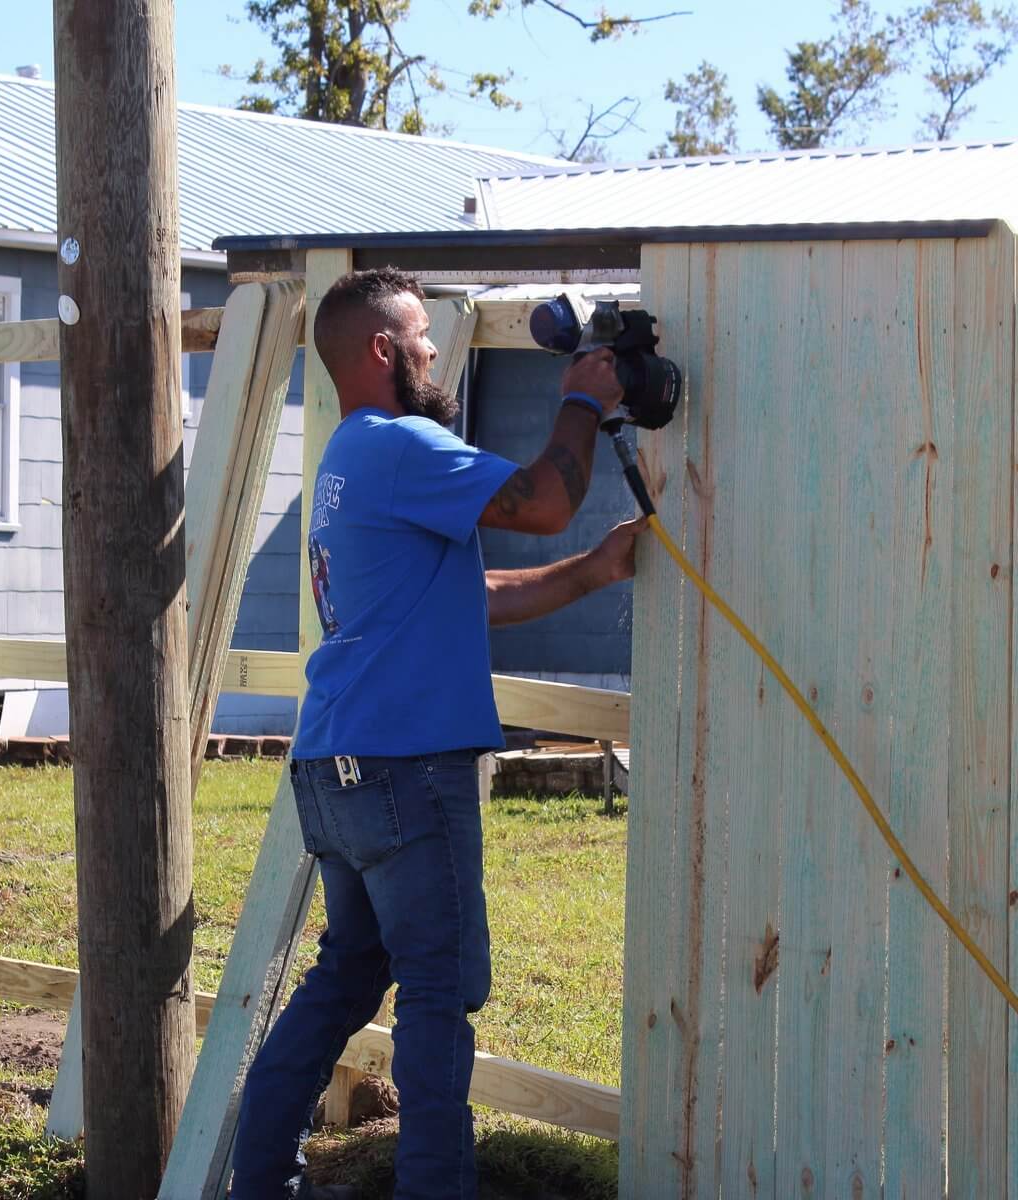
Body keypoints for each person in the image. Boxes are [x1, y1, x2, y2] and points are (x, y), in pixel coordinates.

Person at [229, 268, 642, 1200]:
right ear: (382, 350)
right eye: (419, 335)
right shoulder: (404, 443)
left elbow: (462, 594)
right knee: (440, 990)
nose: (429, 349)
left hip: (336, 769)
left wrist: (592, 572)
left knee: (349, 975)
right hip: (406, 770)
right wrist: (580, 396)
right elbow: (541, 500)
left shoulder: (348, 459)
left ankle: (257, 1182)